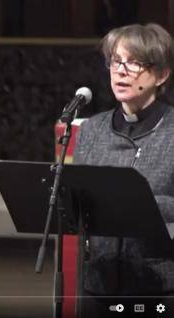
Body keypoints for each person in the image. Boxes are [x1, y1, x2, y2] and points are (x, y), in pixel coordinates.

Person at [74, 23, 174, 317]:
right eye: (116, 61)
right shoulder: (92, 130)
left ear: (161, 74)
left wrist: (143, 203)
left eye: (134, 62)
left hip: (160, 287)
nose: (121, 70)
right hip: (99, 285)